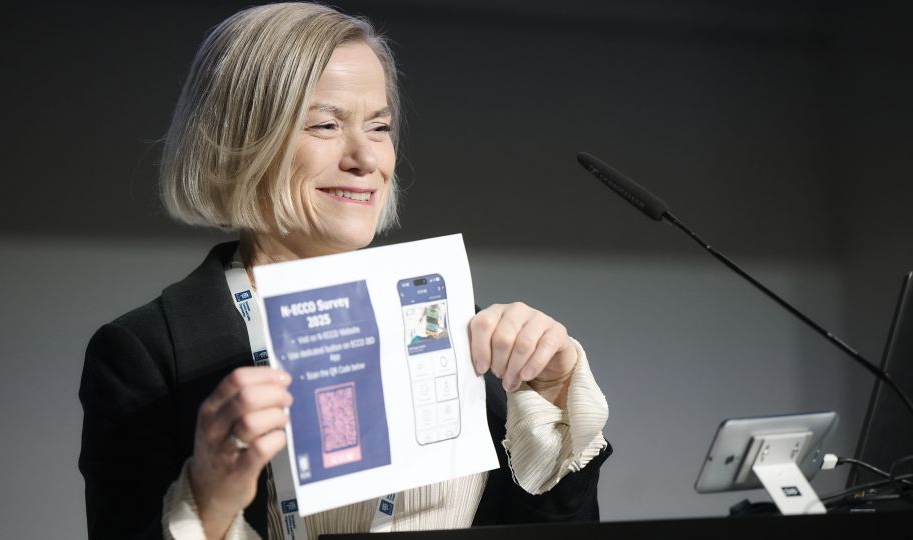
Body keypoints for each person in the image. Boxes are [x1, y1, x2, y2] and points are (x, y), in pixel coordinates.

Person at [77, 3, 611, 539]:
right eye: (326, 124)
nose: (366, 158)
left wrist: (553, 396)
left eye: (379, 127)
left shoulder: (455, 333)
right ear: (238, 140)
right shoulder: (145, 353)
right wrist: (207, 498)